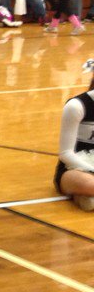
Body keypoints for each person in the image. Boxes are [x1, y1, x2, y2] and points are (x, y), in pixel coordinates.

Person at [54, 74, 94, 212]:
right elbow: (66, 154)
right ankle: (85, 192)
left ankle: (84, 197)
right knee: (90, 183)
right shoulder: (76, 106)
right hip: (75, 169)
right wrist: (92, 170)